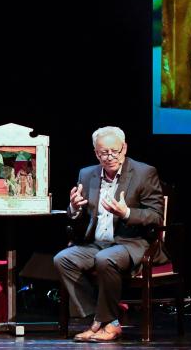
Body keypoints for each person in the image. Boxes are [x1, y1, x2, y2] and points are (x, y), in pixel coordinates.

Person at [53, 126, 164, 342]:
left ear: (124, 149)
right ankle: (106, 321)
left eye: (115, 151)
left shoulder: (144, 173)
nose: (110, 157)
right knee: (63, 259)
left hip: (132, 242)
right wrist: (74, 209)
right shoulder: (87, 174)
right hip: (96, 243)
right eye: (104, 152)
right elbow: (80, 215)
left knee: (105, 259)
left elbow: (156, 216)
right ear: (96, 153)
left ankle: (105, 322)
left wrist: (126, 212)